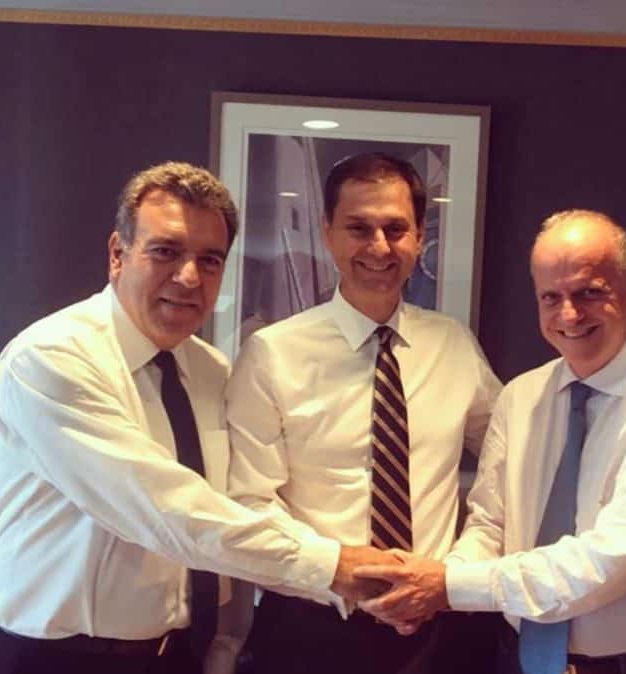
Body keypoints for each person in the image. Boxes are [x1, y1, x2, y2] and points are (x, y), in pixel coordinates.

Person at [0, 161, 394, 674]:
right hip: (52, 658)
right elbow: (165, 510)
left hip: (176, 653)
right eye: (165, 251)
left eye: (209, 260)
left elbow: (232, 509)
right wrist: (333, 565)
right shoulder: (50, 359)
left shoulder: (210, 371)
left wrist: (225, 644)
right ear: (118, 254)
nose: (188, 277)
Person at [357, 209, 626, 674]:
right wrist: (433, 588)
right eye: (551, 297)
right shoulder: (520, 397)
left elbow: (611, 559)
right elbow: (490, 525)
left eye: (589, 292)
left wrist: (449, 585)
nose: (569, 314)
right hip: (517, 657)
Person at [226, 152, 502, 674]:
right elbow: (249, 501)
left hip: (437, 632)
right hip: (309, 630)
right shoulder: (271, 354)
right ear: (328, 234)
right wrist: (338, 571)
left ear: (418, 237)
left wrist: (456, 571)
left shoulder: (454, 345)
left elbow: (509, 460)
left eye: (396, 229)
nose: (379, 247)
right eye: (358, 228)